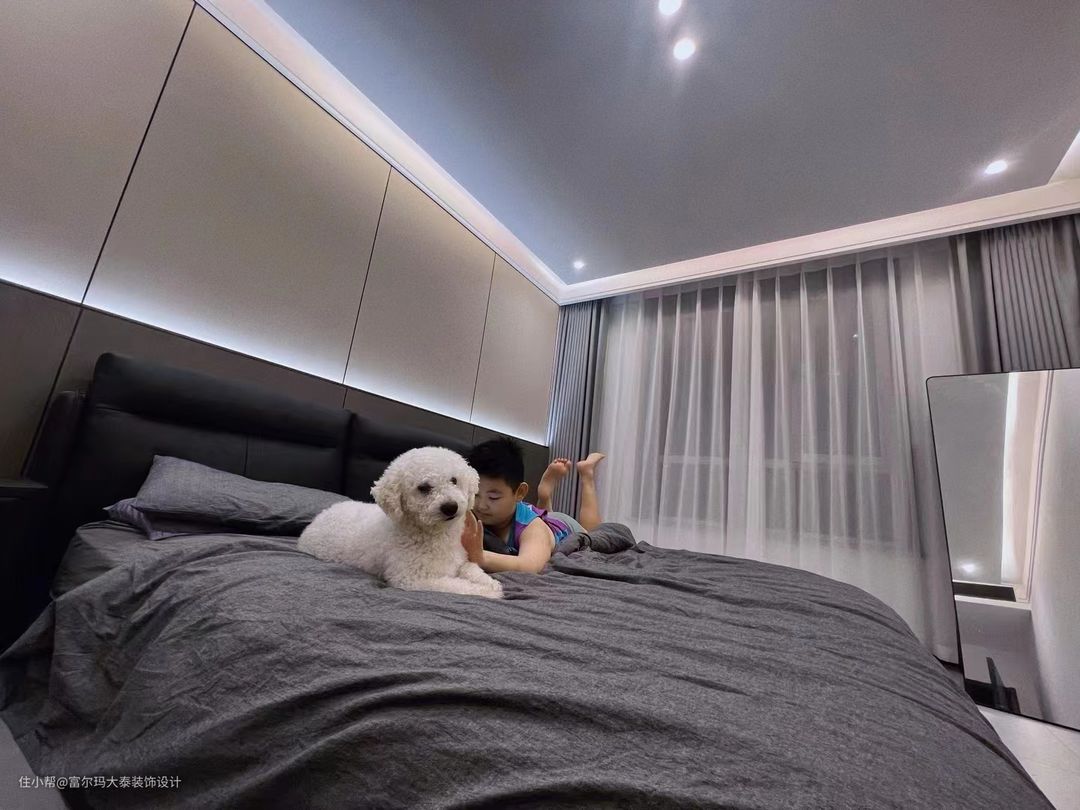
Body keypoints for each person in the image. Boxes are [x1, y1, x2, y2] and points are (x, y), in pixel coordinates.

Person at [460, 437, 606, 574]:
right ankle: (544, 497)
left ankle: (587, 474)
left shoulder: (532, 528)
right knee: (545, 516)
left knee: (594, 534)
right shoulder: (469, 510)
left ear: (520, 492)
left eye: (493, 498)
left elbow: (531, 565)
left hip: (563, 525)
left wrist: (481, 557)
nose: (481, 506)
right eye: (475, 494)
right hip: (537, 516)